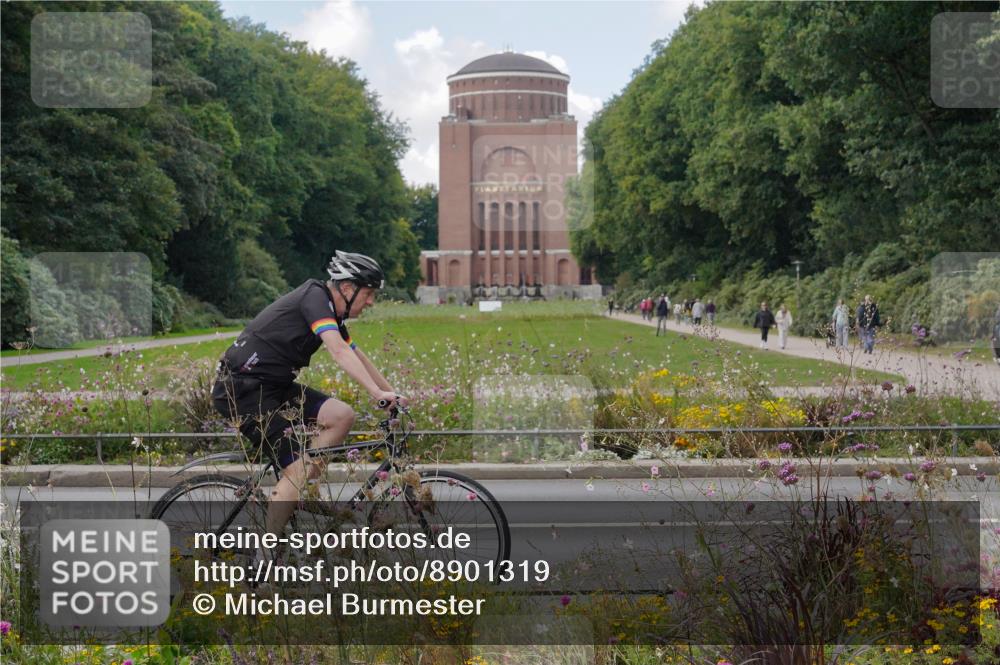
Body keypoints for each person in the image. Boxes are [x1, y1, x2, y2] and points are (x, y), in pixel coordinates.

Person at [211, 251, 401, 558]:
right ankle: (265, 560)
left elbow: (356, 354)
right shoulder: (314, 298)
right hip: (243, 391)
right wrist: (375, 394)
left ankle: (298, 490)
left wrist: (392, 393)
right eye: (368, 294)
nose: (371, 302)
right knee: (296, 470)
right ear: (348, 289)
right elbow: (338, 352)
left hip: (273, 387)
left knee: (341, 415)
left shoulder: (332, 311)